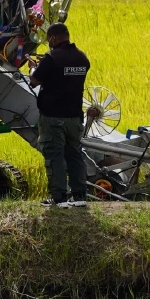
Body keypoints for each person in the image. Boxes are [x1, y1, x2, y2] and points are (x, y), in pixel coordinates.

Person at [30, 22, 91, 208]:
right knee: (74, 155)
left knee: (54, 156)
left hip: (53, 117)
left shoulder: (51, 57)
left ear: (53, 38)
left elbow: (34, 80)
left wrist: (34, 67)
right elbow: (65, 75)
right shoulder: (82, 58)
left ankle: (59, 198)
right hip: (74, 117)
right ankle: (80, 196)